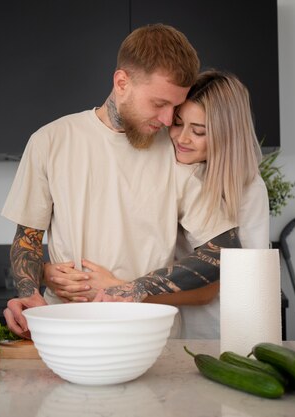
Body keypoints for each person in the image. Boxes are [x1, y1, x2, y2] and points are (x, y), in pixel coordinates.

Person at [1, 24, 241, 338]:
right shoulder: (50, 141)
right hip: (67, 330)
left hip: (151, 336)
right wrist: (29, 291)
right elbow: (27, 239)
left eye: (175, 106)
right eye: (159, 104)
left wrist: (132, 288)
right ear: (122, 82)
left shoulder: (177, 153)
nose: (169, 120)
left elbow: (224, 249)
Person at [47, 70, 269, 338]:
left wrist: (123, 288)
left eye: (198, 131)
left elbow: (210, 290)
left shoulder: (247, 189)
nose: (182, 138)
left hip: (219, 332)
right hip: (166, 325)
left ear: (227, 135)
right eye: (177, 123)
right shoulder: (173, 166)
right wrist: (49, 273)